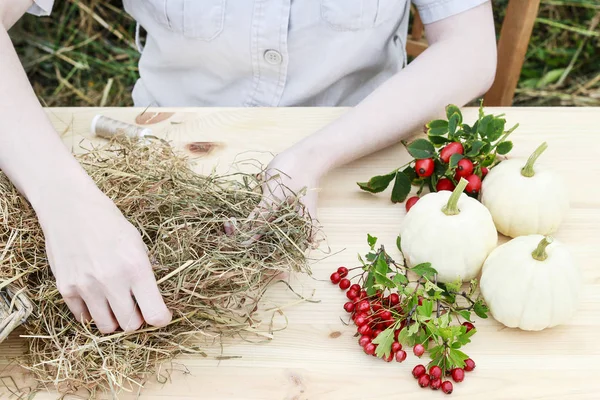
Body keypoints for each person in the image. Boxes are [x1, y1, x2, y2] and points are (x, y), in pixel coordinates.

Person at [0, 0, 497, 334]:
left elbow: (469, 49)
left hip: (364, 146)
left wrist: (313, 156)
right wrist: (63, 200)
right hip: (168, 147)